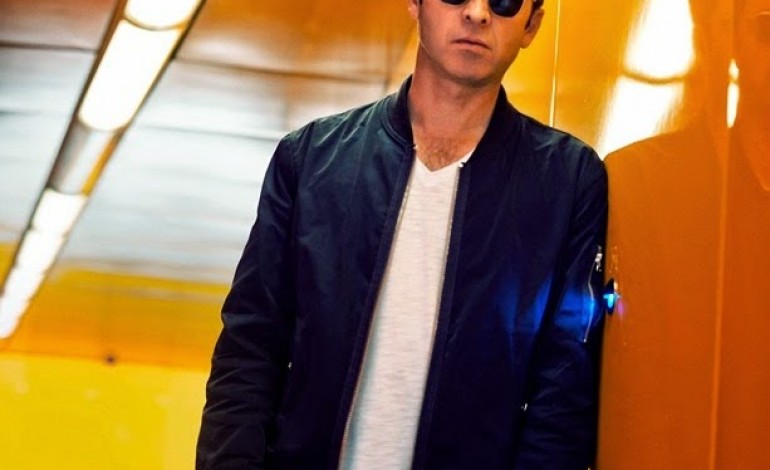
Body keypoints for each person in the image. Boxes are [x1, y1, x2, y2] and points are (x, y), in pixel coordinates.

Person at [196, 0, 608, 468]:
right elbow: (249, 352)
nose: (477, 13)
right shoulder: (310, 160)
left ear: (531, 24)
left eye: (505, 2)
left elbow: (563, 392)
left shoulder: (568, 183)